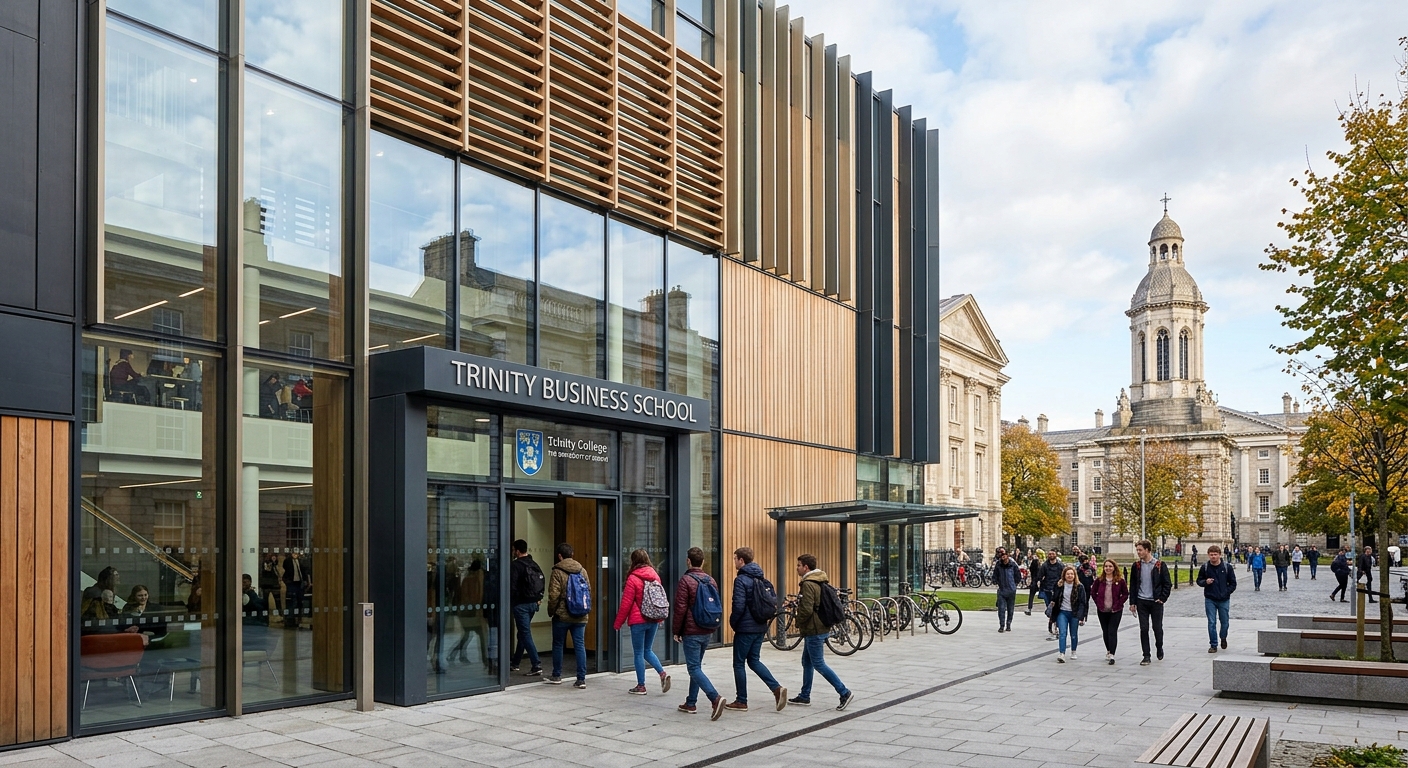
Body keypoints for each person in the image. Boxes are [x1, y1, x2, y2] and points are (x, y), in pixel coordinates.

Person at [788, 554, 854, 711]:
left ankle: (843, 692)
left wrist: (798, 621)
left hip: (814, 629)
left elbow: (806, 608)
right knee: (807, 662)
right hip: (819, 627)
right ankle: (804, 695)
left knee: (818, 663)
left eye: (799, 565)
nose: (797, 568)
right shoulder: (819, 580)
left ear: (806, 567)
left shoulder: (808, 584)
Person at [725, 547, 785, 711]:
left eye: (735, 558)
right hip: (760, 626)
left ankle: (741, 700)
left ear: (741, 560)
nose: (734, 561)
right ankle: (776, 688)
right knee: (754, 660)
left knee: (738, 663)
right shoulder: (762, 578)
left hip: (745, 628)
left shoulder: (741, 580)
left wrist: (734, 623)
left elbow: (738, 606)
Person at [673, 547, 724, 719]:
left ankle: (714, 698)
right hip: (707, 629)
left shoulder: (686, 580)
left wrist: (676, 631)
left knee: (693, 668)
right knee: (697, 667)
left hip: (691, 631)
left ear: (688, 560)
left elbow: (680, 609)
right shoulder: (710, 580)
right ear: (702, 562)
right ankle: (691, 702)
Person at [614, 548, 670, 695]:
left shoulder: (633, 578)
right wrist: (660, 617)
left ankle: (641, 686)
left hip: (638, 620)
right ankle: (662, 673)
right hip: (653, 618)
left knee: (638, 652)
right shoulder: (655, 575)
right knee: (647, 650)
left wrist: (618, 623)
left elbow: (626, 604)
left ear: (633, 561)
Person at [546, 542, 589, 688]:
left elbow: (553, 595)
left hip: (562, 615)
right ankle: (581, 679)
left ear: (559, 555)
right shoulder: (582, 570)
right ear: (572, 554)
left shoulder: (557, 571)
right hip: (581, 615)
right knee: (580, 645)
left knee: (558, 644)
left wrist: (551, 611)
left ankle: (557, 675)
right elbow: (587, 591)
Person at [1128, 539, 1171, 666]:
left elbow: (1167, 584)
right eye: (1137, 550)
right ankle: (1146, 655)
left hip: (1156, 601)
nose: (1138, 552)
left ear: (1147, 550)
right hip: (1142, 601)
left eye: (1140, 550)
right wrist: (1132, 602)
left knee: (1157, 628)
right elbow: (1134, 585)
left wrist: (1162, 598)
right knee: (1144, 628)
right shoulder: (1136, 566)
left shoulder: (1159, 565)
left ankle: (1159, 646)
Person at [509, 539, 544, 676]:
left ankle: (536, 664)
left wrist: (513, 601)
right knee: (522, 633)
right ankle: (515, 662)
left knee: (525, 633)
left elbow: (512, 586)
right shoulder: (533, 563)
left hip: (521, 604)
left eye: (513, 550)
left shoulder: (516, 565)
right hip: (534, 603)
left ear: (517, 551)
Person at [1196, 545, 1236, 653]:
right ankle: (1213, 644)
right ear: (1208, 555)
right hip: (1210, 598)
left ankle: (1223, 637)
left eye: (1215, 554)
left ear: (1219, 555)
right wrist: (1205, 582)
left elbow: (1233, 583)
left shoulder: (1227, 567)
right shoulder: (1205, 567)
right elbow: (1199, 581)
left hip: (1224, 599)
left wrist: (1226, 592)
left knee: (1225, 622)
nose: (1213, 557)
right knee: (1211, 622)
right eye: (1211, 555)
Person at [1092, 559, 1128, 665]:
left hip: (1115, 610)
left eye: (1110, 566)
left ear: (1114, 568)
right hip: (1102, 609)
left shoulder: (1120, 580)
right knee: (1105, 631)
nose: (1108, 568)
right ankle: (1108, 649)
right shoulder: (1099, 580)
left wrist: (1119, 603)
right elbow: (1093, 592)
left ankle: (1112, 653)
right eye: (1106, 566)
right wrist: (1098, 602)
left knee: (1112, 631)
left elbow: (1125, 594)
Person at [1052, 565, 1088, 663]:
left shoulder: (1079, 587)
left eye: (1072, 574)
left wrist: (1082, 616)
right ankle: (1062, 653)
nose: (1070, 576)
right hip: (1062, 612)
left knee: (1073, 634)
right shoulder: (1059, 585)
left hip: (1074, 613)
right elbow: (1054, 599)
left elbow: (1083, 602)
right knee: (1062, 633)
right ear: (1064, 575)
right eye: (1068, 574)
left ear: (1074, 575)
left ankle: (1073, 651)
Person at [1036, 550, 1064, 638]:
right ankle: (1053, 623)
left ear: (1056, 555)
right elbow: (1040, 577)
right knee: (1050, 608)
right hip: (1047, 589)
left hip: (1057, 590)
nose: (1051, 555)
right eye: (1050, 554)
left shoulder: (1060, 565)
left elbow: (1063, 576)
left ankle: (1056, 626)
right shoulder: (1044, 566)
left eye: (1053, 554)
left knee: (1057, 609)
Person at [992, 547, 1020, 633]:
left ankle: (1008, 624)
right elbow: (995, 575)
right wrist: (995, 581)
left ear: (1007, 555)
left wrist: (1014, 585)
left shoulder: (1013, 565)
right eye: (1001, 556)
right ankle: (1002, 625)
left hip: (1011, 590)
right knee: (1001, 608)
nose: (1003, 558)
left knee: (1010, 609)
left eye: (1004, 555)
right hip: (1002, 590)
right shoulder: (998, 565)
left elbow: (1018, 576)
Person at [282, 548, 309, 629]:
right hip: (292, 582)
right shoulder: (288, 561)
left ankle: (298, 618)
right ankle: (290, 619)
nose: (295, 554)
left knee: (299, 600)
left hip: (299, 583)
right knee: (291, 600)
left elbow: (303, 571)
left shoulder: (300, 561)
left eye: (296, 553)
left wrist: (305, 580)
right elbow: (286, 568)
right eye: (294, 553)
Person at [1024, 551, 1043, 616]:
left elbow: (1031, 571)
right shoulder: (1040, 567)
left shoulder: (1033, 567)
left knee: (1031, 596)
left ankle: (1029, 608)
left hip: (1034, 582)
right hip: (1039, 582)